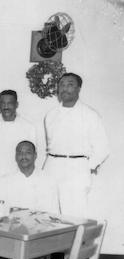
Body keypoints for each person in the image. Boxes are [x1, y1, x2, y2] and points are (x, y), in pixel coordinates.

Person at [43, 73, 109, 218]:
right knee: (47, 213)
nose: (65, 88)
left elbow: (103, 148)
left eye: (70, 84)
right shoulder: (51, 115)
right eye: (62, 85)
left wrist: (87, 166)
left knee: (73, 217)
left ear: (79, 89)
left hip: (77, 170)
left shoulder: (90, 115)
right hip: (51, 166)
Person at [0, 90, 36, 201]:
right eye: (3, 103)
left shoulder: (28, 127)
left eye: (10, 103)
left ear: (16, 105)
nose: (6, 106)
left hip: (18, 184)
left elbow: (31, 157)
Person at [0, 141, 59, 214]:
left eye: (28, 153)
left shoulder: (48, 180)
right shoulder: (4, 181)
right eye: (20, 153)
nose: (23, 156)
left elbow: (54, 214)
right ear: (16, 157)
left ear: (35, 156)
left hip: (41, 224)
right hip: (12, 224)